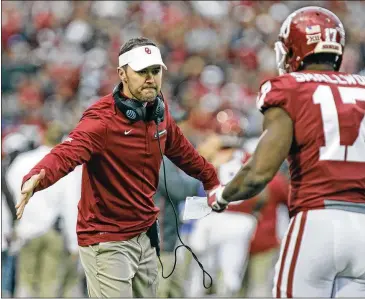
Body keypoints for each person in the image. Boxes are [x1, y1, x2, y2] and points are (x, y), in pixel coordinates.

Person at [17, 37, 220, 298]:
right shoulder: (102, 119)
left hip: (145, 233)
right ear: (122, 74)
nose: (150, 78)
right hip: (107, 238)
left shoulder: (159, 112)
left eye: (155, 71)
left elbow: (185, 153)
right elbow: (68, 152)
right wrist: (37, 176)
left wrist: (212, 180)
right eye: (141, 71)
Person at [207, 6, 365, 298]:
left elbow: (259, 173)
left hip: (317, 221)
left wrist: (223, 196)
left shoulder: (289, 88)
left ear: (293, 49)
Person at [6, 122, 81, 297]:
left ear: (42, 136)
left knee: (24, 285)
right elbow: (71, 204)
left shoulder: (22, 161)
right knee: (49, 287)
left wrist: (11, 228)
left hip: (26, 230)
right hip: (53, 232)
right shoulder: (66, 166)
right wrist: (73, 243)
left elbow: (8, 195)